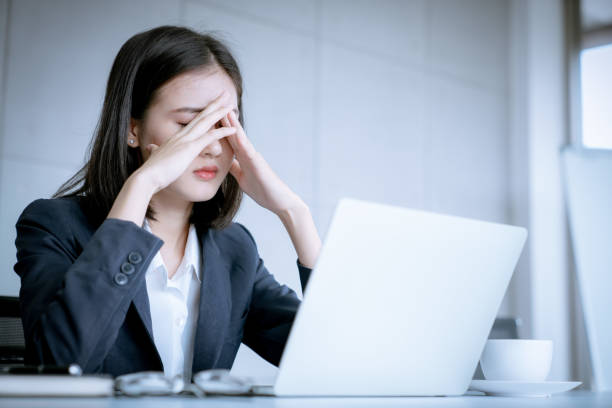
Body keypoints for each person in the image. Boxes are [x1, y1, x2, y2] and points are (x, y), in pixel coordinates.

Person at [13, 26, 321, 381]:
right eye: (191, 124)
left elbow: (332, 362)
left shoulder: (235, 250)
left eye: (225, 125)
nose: (214, 146)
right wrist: (142, 184)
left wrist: (294, 213)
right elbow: (61, 361)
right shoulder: (54, 225)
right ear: (133, 129)